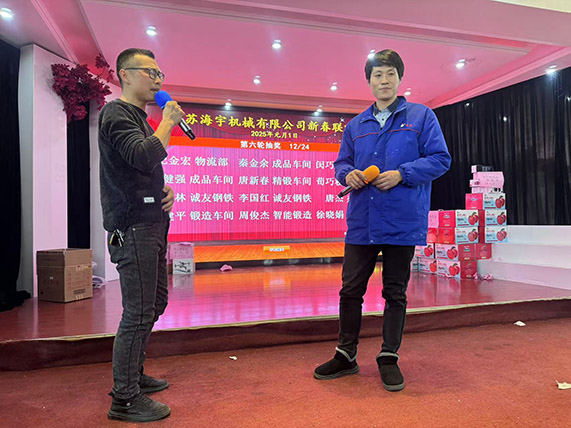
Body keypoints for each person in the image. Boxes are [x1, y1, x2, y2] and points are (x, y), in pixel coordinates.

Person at [313, 49, 451, 391]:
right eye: (378, 74)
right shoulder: (356, 125)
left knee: (395, 292)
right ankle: (345, 354)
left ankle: (388, 357)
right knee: (350, 290)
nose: (384, 80)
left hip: (402, 220)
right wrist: (348, 175)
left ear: (399, 78)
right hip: (362, 220)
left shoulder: (421, 116)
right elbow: (341, 164)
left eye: (390, 73)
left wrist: (402, 174)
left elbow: (440, 159)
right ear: (369, 81)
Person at [98, 48, 185, 422]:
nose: (158, 79)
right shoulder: (116, 113)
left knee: (155, 303)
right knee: (137, 311)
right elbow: (144, 156)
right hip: (132, 227)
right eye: (151, 72)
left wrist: (163, 190)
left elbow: (140, 167)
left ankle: (133, 374)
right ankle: (125, 398)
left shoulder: (138, 119)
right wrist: (168, 122)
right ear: (125, 74)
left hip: (151, 224)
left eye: (160, 73)